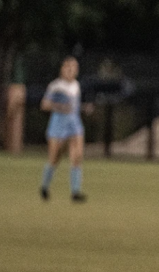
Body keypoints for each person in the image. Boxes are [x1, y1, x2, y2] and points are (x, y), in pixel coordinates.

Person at [39, 57, 93, 202]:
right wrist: (60, 107)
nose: (71, 70)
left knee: (77, 157)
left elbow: (73, 108)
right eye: (68, 67)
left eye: (74, 67)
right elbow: (44, 105)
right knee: (54, 158)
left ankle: (75, 192)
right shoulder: (55, 86)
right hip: (58, 125)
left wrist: (84, 108)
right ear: (62, 69)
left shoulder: (76, 86)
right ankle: (44, 186)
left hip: (74, 124)